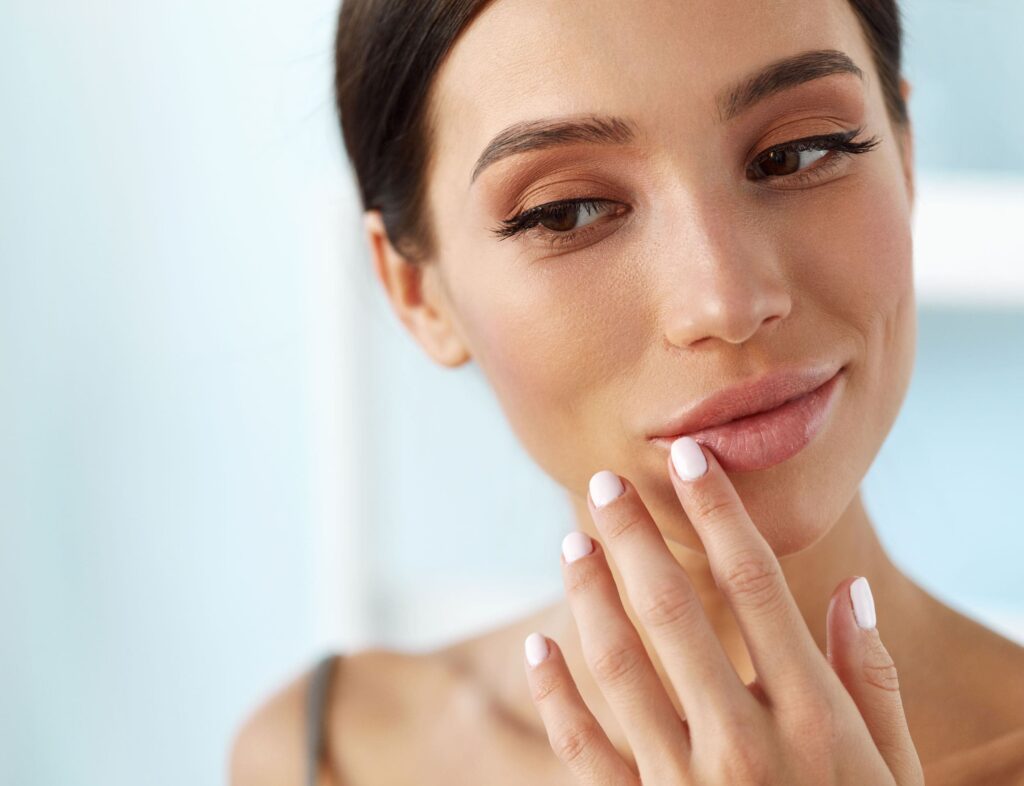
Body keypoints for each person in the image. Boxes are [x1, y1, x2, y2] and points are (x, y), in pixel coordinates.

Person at [230, 1, 1024, 783]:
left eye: (796, 153)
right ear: (416, 292)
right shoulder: (330, 757)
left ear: (907, 160)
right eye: (567, 211)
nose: (726, 303)